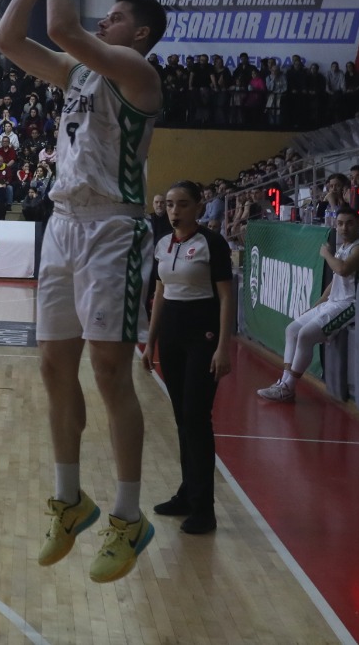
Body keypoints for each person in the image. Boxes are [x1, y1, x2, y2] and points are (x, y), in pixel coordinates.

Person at [0, 0, 166, 584]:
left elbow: (62, 28)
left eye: (116, 17)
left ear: (139, 34)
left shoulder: (136, 75)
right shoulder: (80, 74)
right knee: (53, 369)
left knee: (111, 374)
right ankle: (70, 501)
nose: (105, 22)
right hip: (62, 225)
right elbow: (6, 37)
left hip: (112, 231)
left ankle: (128, 514)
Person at [143, 180, 234, 536]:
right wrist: (150, 343)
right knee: (182, 418)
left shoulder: (212, 243)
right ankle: (186, 494)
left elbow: (227, 298)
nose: (174, 211)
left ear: (199, 205)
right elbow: (160, 294)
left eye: (182, 204)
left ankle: (204, 508)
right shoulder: (164, 244)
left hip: (203, 336)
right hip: (171, 335)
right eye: (169, 205)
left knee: (197, 418)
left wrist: (223, 346)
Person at [258, 207, 359, 404]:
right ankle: (284, 382)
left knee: (305, 335)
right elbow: (335, 281)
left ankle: (288, 387)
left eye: (349, 223)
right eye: (340, 224)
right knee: (292, 329)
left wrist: (326, 254)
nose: (344, 228)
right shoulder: (343, 247)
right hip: (333, 302)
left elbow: (343, 269)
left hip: (350, 304)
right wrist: (318, 304)